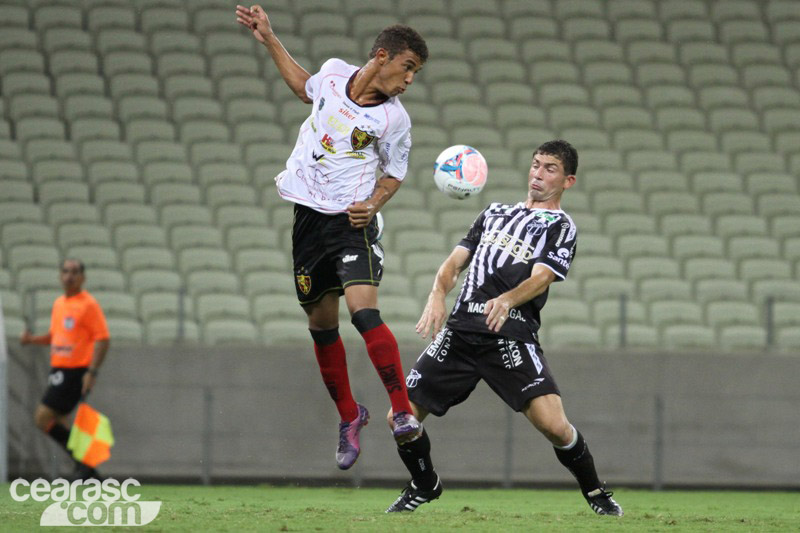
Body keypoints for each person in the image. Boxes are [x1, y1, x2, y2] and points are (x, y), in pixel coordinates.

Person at [236, 5, 429, 469]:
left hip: (350, 222)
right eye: (408, 68)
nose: (409, 82)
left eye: (415, 74)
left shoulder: (394, 121)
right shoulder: (333, 74)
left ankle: (402, 411)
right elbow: (305, 88)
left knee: (364, 314)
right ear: (382, 57)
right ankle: (350, 416)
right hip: (307, 218)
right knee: (321, 327)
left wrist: (373, 205)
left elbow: (395, 174)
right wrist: (270, 38)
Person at [386, 140, 624, 516]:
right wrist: (437, 294)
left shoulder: (561, 227)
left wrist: (509, 299)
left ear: (568, 181)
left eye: (549, 169)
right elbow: (454, 263)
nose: (538, 174)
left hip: (510, 337)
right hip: (460, 334)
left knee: (556, 428)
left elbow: (543, 276)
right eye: (535, 165)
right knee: (401, 418)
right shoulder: (494, 212)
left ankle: (596, 493)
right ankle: (425, 483)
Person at [20, 259, 110, 479]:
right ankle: (88, 470)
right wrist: (33, 340)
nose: (70, 276)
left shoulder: (88, 304)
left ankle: (84, 464)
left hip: (75, 371)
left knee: (42, 418)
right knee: (59, 422)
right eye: (66, 271)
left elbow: (103, 339)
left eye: (75, 272)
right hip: (57, 370)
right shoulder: (59, 303)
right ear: (60, 276)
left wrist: (92, 372)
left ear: (83, 277)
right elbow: (55, 337)